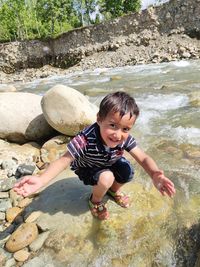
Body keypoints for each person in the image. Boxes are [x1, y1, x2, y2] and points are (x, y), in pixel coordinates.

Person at [14, 91, 176, 220]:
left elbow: (143, 157)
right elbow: (64, 160)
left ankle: (113, 191)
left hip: (109, 161)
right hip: (88, 167)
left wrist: (155, 174)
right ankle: (95, 200)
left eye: (125, 129)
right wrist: (41, 180)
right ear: (99, 119)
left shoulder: (123, 139)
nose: (118, 135)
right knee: (106, 177)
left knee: (127, 171)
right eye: (113, 125)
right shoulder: (85, 139)